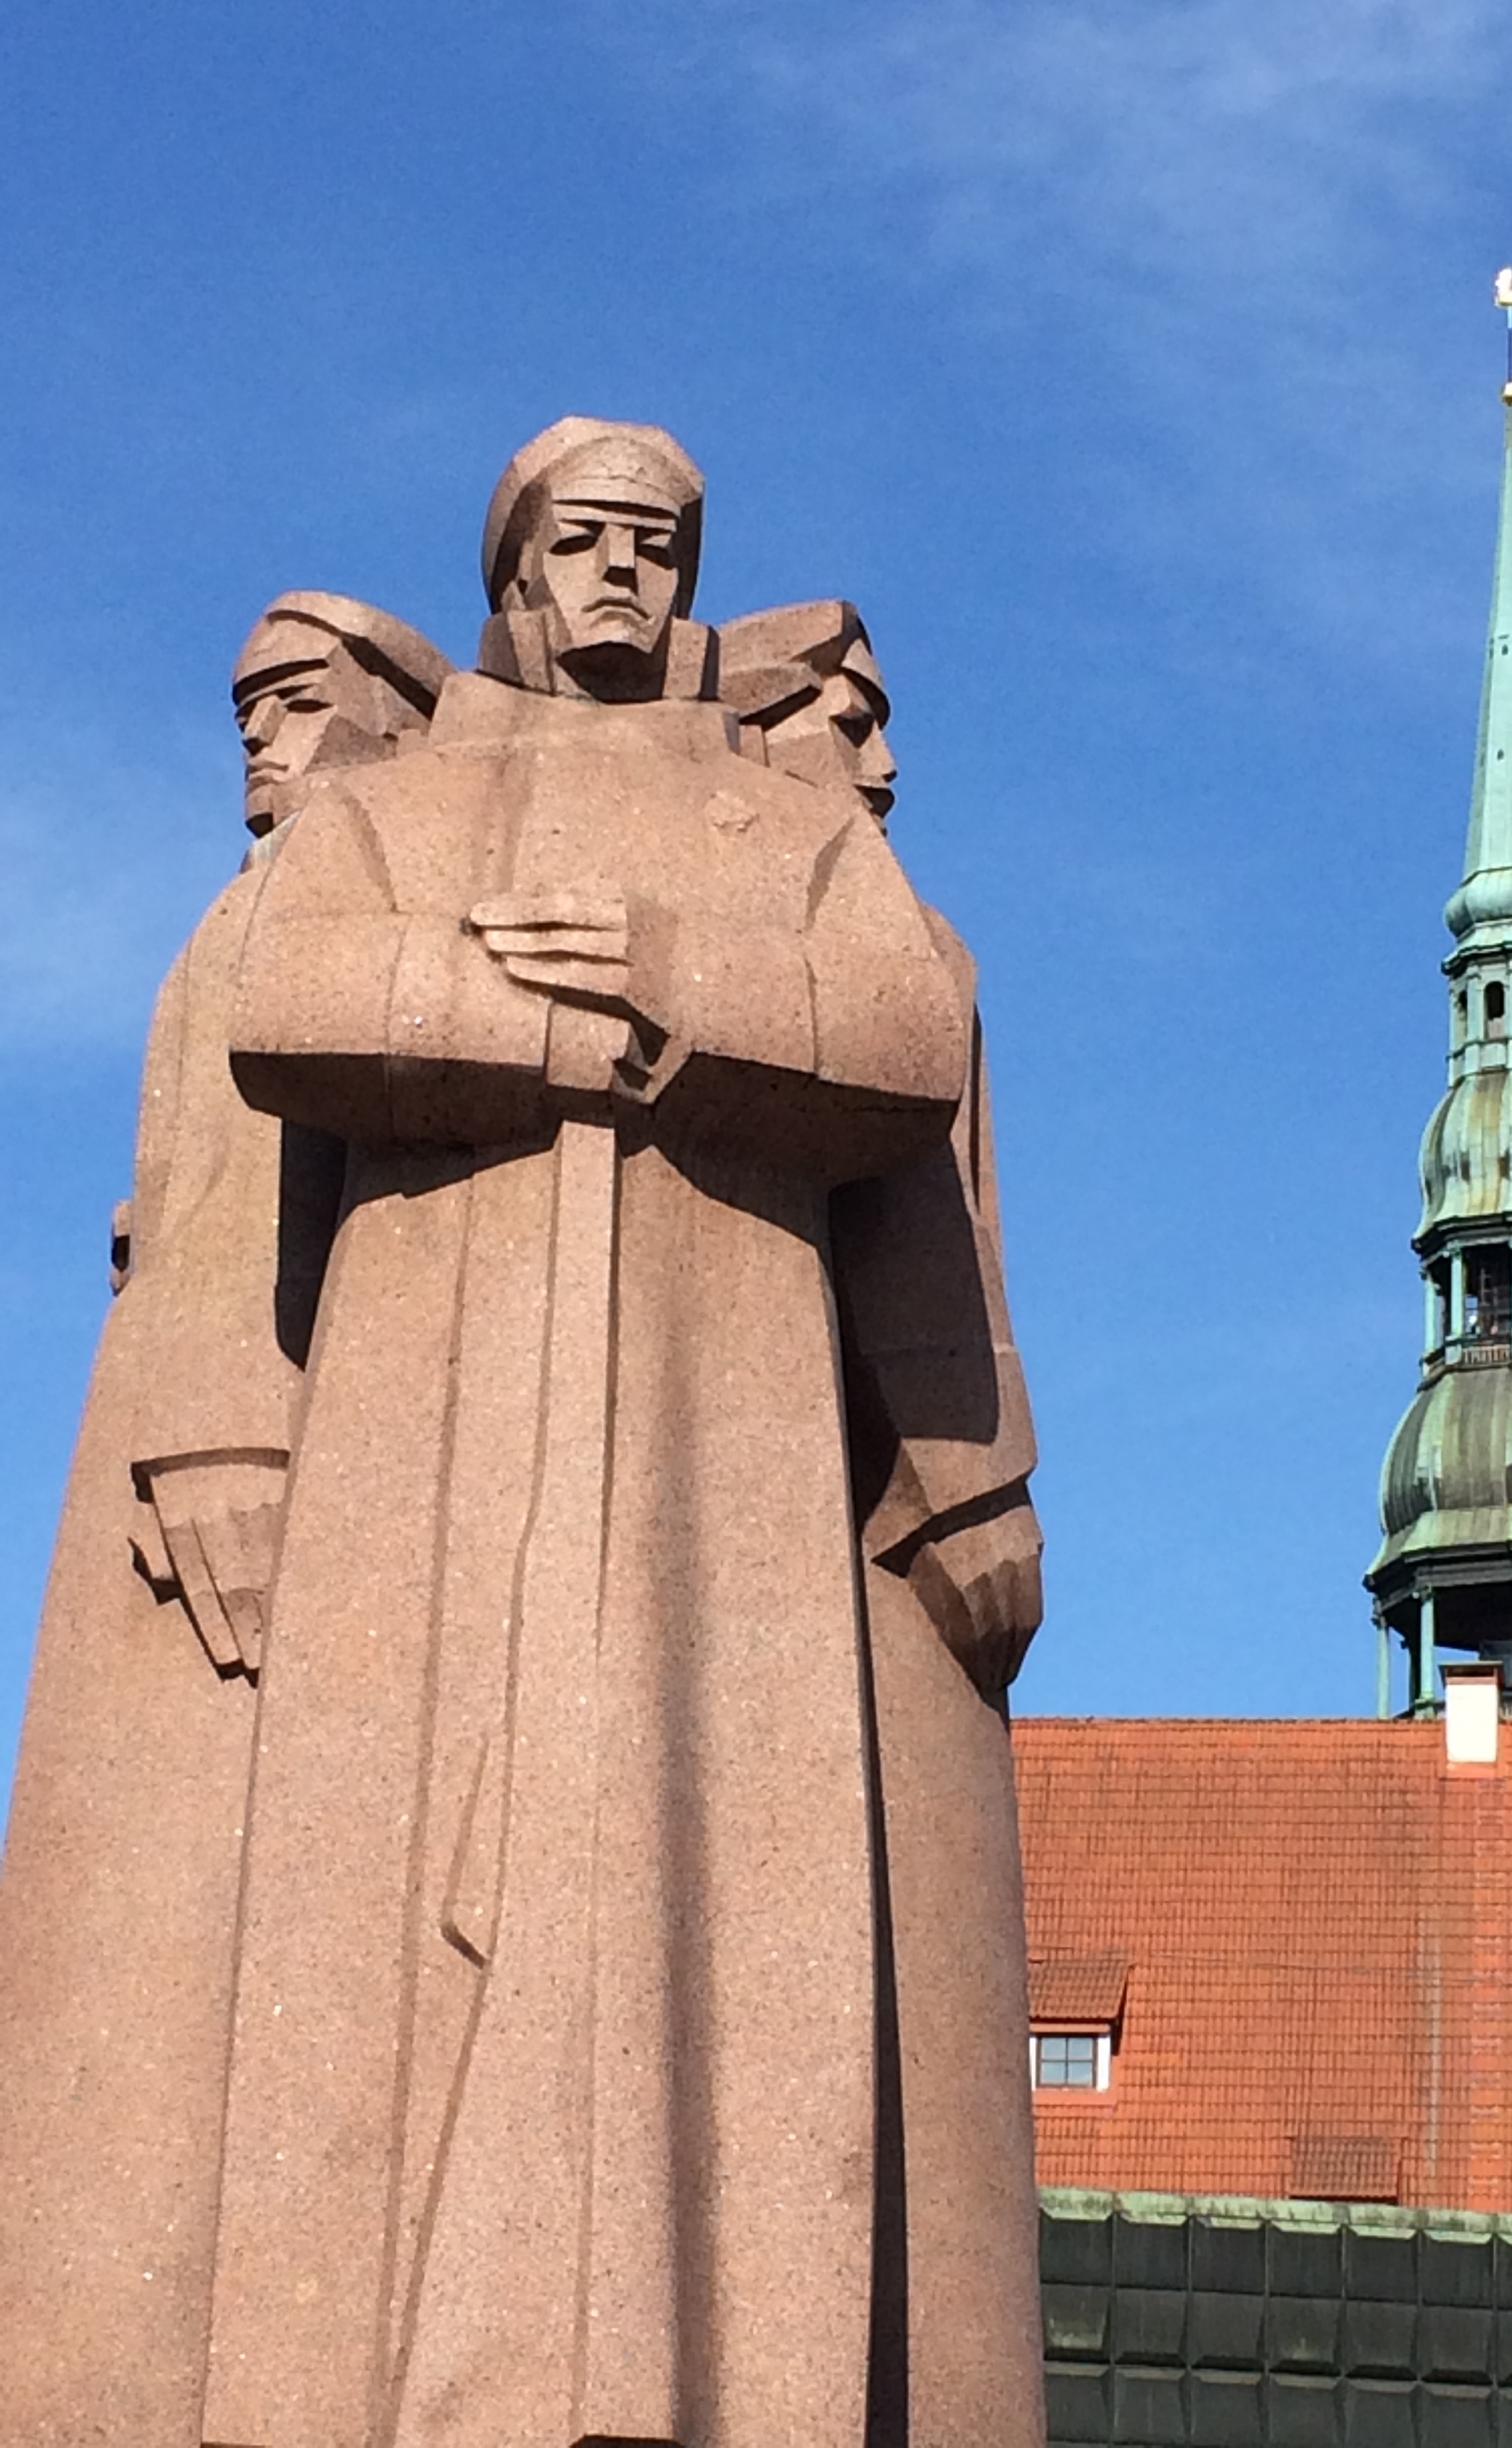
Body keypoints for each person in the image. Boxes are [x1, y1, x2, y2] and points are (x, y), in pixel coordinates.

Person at [201, 422, 1040, 2448]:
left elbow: (909, 1038)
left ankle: (703, 2363)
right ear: (516, 562)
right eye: (581, 542)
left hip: (716, 1442)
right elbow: (283, 1001)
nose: (620, 579)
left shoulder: (787, 829)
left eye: (656, 548)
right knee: (413, 1906)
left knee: (695, 1885)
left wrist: (681, 983)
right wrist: (557, 1035)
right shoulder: (403, 806)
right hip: (435, 1417)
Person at [0, 593, 449, 2448]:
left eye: (293, 703)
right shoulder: (261, 909)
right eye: (246, 709)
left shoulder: (333, 915)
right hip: (197, 1462)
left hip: (245, 1455)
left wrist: (216, 1442)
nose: (257, 740)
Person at [722, 602, 1048, 2442]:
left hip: (884, 1522)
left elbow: (951, 1257)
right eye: (849, 719)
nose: (888, 758)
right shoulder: (807, 949)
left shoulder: (904, 949)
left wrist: (971, 1471)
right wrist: (969, 1479)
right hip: (829, 1515)